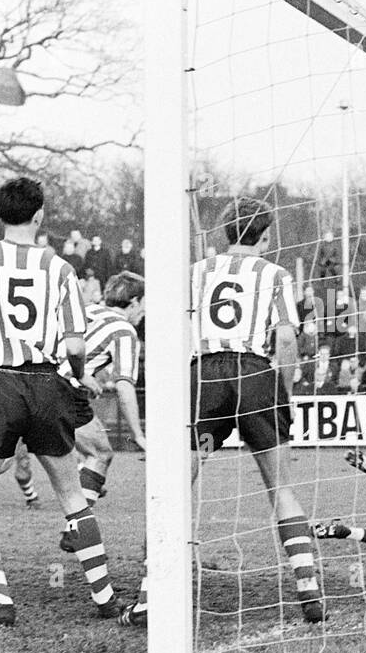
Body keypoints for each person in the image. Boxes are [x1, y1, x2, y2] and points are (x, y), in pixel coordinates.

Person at [0, 177, 117, 626]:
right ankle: (106, 597)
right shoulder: (62, 268)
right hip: (46, 384)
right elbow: (75, 346)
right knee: (72, 495)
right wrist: (82, 378)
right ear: (39, 216)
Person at [139, 197, 325, 627]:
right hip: (256, 377)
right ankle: (307, 588)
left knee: (177, 483)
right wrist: (284, 389)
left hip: (205, 380)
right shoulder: (275, 274)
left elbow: (170, 330)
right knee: (280, 488)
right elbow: (285, 340)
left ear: (226, 233)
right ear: (265, 236)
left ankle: (151, 594)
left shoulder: (197, 272)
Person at [65, 271, 147, 516]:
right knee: (100, 453)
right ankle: (76, 530)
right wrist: (138, 434)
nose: (144, 312)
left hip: (32, 382)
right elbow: (124, 386)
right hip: (66, 391)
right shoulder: (123, 330)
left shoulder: (85, 309)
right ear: (133, 302)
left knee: (2, 457)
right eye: (144, 304)